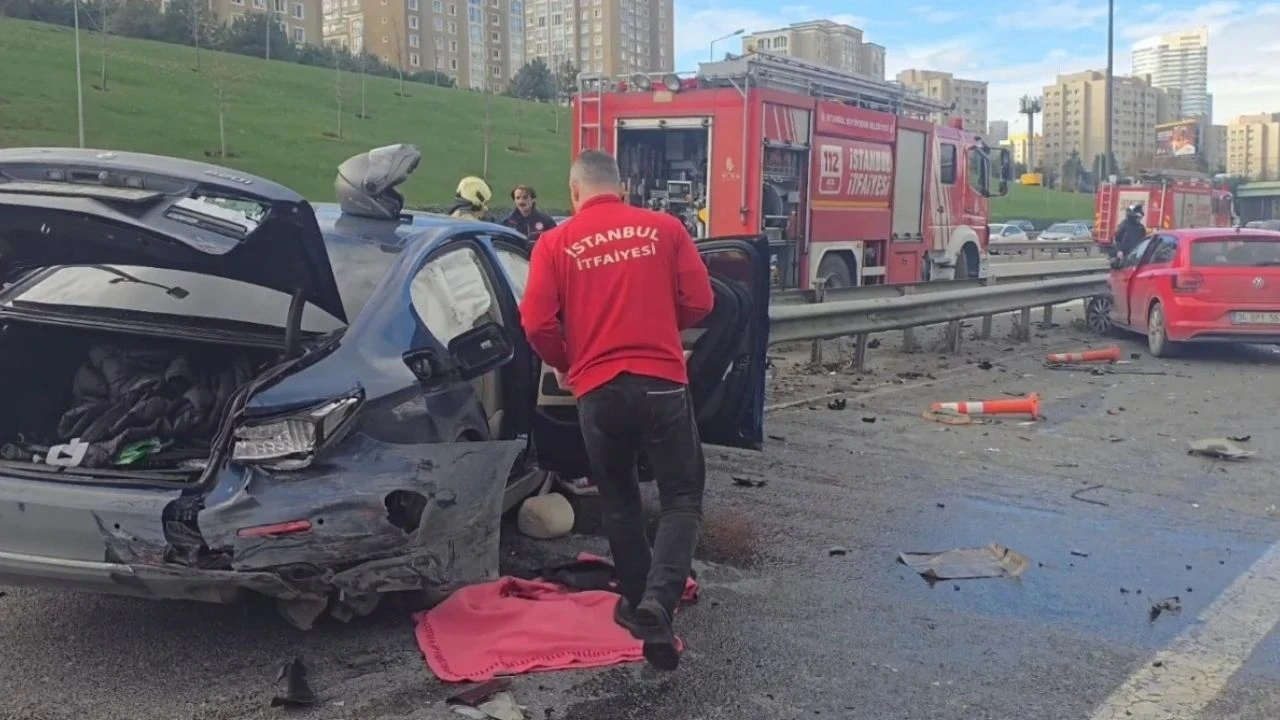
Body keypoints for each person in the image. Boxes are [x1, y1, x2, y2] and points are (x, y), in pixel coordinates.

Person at [518, 150, 714, 672]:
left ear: (574, 190)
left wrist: (567, 363)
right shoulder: (665, 227)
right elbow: (702, 301)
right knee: (681, 500)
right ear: (622, 188)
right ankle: (658, 605)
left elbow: (535, 323)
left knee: (621, 500)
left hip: (598, 390)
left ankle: (641, 611)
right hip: (662, 386)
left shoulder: (554, 242)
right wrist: (657, 325)